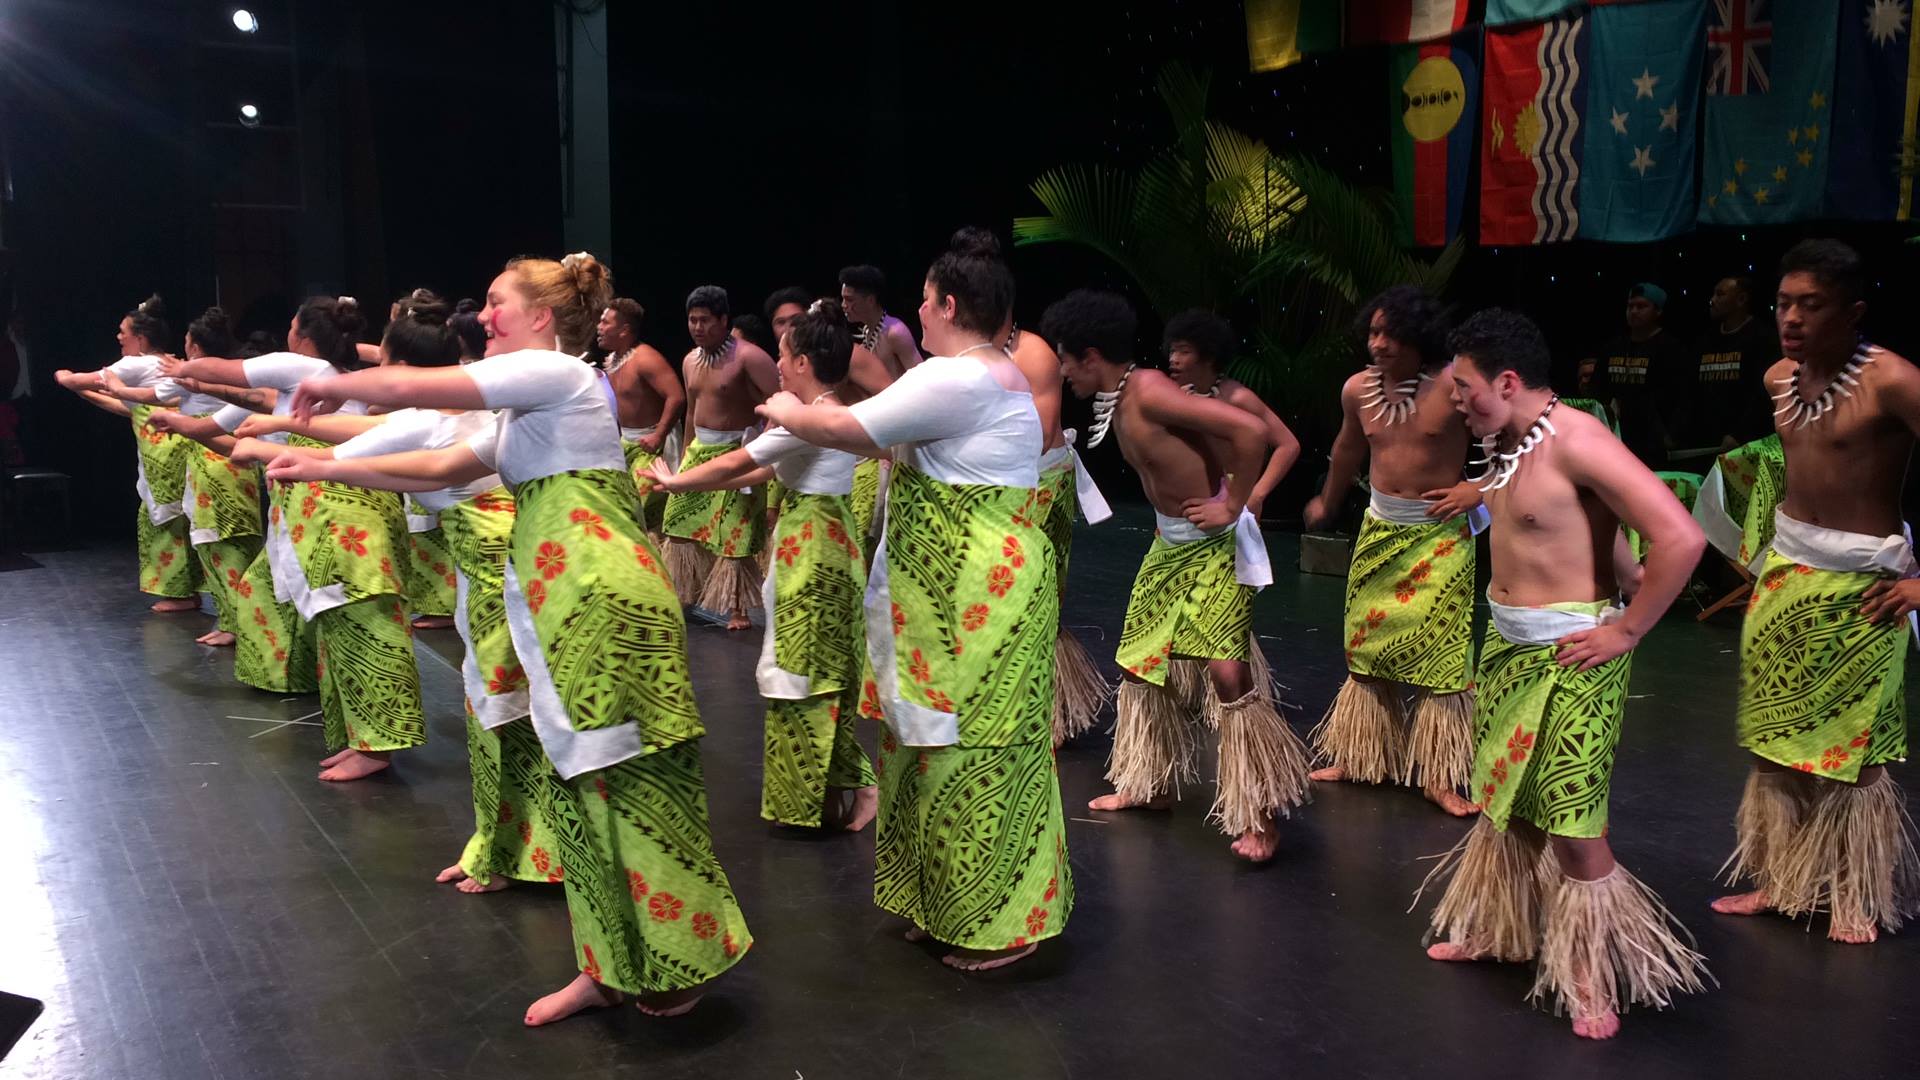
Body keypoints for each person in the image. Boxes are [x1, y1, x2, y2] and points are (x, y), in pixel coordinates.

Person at [272, 252, 750, 1024]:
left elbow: (410, 386)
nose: (482, 317)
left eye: (495, 303)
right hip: (563, 604)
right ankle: (607, 964)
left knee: (632, 780)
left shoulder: (560, 378)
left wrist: (332, 378)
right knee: (578, 780)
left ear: (539, 316)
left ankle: (677, 961)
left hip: (603, 602)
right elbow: (434, 465)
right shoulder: (527, 412)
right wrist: (322, 465)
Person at [765, 229, 1070, 971]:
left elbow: (842, 426)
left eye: (925, 301)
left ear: (949, 303)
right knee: (929, 748)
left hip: (977, 597)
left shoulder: (961, 377)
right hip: (947, 598)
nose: (918, 314)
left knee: (977, 754)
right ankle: (946, 906)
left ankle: (1003, 926)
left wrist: (784, 405)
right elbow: (876, 433)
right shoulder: (966, 374)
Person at [1417, 308, 1709, 1041]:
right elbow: (1588, 527)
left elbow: (1682, 534)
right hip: (1508, 648)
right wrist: (1621, 568)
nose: (1454, 403)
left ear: (1508, 381)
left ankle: (1588, 973)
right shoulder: (1511, 444)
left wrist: (1628, 626)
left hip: (1575, 654)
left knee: (1573, 820)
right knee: (1505, 801)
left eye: (1464, 389)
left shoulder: (1579, 439)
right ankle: (1500, 930)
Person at [243, 299, 557, 894]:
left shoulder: (476, 408)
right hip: (494, 565)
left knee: (504, 707)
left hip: (501, 567)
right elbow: (376, 440)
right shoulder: (448, 416)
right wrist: (297, 447)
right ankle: (511, 845)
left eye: (499, 308)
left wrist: (305, 454)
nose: (487, 322)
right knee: (498, 706)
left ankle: (521, 851)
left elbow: (401, 455)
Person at [1048, 289, 1309, 864]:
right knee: (1138, 660)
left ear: (1092, 356)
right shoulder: (1120, 397)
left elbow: (1252, 432)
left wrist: (1235, 502)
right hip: (1170, 546)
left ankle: (1260, 817)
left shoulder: (1149, 391)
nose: (1062, 372)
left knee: (1225, 672)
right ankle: (1150, 784)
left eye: (1067, 359)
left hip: (1216, 545)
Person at [1712, 240, 1920, 944]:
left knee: (1851, 752)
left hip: (1866, 588)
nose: (1791, 318)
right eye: (1783, 304)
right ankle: (1782, 881)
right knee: (1775, 739)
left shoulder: (1893, 381)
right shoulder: (1778, 379)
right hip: (1786, 576)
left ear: (1853, 312)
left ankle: (1854, 894)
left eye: (1811, 305)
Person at [169, 296, 426, 782]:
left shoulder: (302, 367)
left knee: (367, 631)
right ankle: (360, 738)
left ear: (303, 334)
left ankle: (378, 743)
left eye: (290, 323)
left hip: (348, 520)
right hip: (323, 516)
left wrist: (182, 368)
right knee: (339, 634)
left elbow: (232, 374)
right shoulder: (326, 383)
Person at [651, 299, 878, 831]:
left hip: (816, 546)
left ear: (803, 362)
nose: (776, 362)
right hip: (820, 539)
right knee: (813, 672)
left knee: (804, 674)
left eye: (782, 353)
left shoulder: (810, 418)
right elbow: (757, 473)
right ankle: (843, 787)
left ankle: (854, 784)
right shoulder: (820, 413)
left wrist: (677, 481)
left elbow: (740, 460)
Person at [1302, 286, 1482, 815]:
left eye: (1391, 335)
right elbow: (1346, 449)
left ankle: (1439, 775)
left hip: (1439, 536)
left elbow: (1515, 440)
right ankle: (1364, 757)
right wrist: (1327, 502)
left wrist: (1481, 489)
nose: (1377, 344)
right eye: (1373, 332)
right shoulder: (1358, 390)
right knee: (1367, 647)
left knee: (1443, 658)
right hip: (1379, 532)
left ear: (1418, 339)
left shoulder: (1454, 384)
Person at [97, 306, 265, 648]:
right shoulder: (223, 382)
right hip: (233, 469)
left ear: (196, 349)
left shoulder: (193, 382)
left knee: (221, 548)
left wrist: (111, 384)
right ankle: (236, 621)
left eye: (187, 343)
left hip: (214, 468)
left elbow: (143, 397)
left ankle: (236, 625)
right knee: (231, 547)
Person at [53, 295, 203, 613]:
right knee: (167, 518)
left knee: (167, 520)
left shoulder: (138, 363)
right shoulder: (154, 365)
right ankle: (184, 590)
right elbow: (126, 407)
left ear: (141, 338)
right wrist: (81, 391)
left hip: (165, 453)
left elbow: (90, 378)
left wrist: (66, 378)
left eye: (124, 331)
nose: (119, 337)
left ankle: (182, 593)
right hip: (164, 450)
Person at [1013, 317, 1114, 746]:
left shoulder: (1033, 352)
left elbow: (1041, 430)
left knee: (1035, 596)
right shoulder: (960, 354)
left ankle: (1041, 711)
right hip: (998, 481)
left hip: (1038, 477)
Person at [662, 285, 780, 629]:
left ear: (724, 320)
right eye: (692, 320)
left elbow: (780, 399)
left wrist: (765, 444)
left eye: (705, 320)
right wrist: (686, 452)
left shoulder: (749, 356)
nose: (697, 327)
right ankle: (687, 592)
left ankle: (738, 608)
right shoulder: (688, 360)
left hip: (738, 450)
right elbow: (692, 410)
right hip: (700, 449)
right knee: (677, 520)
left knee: (735, 532)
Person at [594, 297, 685, 539]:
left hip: (650, 444)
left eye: (605, 322)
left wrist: (658, 435)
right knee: (616, 507)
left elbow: (676, 396)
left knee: (638, 513)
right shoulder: (613, 360)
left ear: (624, 330)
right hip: (627, 443)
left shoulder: (645, 358)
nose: (599, 327)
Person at [1591, 282, 1688, 467]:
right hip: (1615, 439)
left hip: (1654, 443)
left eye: (1641, 306)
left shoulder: (1672, 349)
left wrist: (1672, 434)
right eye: (1630, 306)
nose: (1634, 311)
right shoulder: (1613, 347)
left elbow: (1683, 397)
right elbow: (1598, 389)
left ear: (1658, 311)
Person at [1683, 275, 1779, 452]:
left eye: (1720, 294)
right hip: (1705, 442)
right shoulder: (1704, 341)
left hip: (1747, 445)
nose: (1712, 300)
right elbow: (1691, 390)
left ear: (1741, 299)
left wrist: (1740, 433)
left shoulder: (1764, 339)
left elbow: (1763, 393)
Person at [839, 263, 923, 376]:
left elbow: (921, 378)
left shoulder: (896, 333)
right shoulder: (868, 331)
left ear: (870, 301)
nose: (843, 305)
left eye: (849, 299)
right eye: (843, 299)